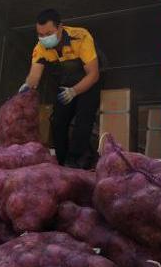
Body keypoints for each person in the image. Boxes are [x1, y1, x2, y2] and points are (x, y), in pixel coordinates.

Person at [19, 9, 101, 168]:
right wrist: (27, 86)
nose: (44, 38)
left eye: (48, 33)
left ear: (60, 28)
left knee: (84, 118)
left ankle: (76, 159)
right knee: (57, 121)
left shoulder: (81, 36)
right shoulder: (40, 48)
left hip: (87, 81)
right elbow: (34, 75)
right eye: (40, 35)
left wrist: (74, 91)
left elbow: (94, 74)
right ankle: (62, 162)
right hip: (65, 84)